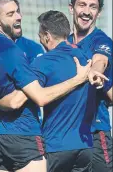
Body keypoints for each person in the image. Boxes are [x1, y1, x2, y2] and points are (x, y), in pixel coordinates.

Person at [0, 0, 105, 172]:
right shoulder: (14, 52)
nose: (18, 17)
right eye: (11, 13)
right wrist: (79, 79)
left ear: (46, 36)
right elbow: (32, 98)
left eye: (18, 11)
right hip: (24, 137)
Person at [32, 10, 96, 172]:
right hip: (85, 146)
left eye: (40, 35)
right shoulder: (87, 58)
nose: (40, 40)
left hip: (56, 145)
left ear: (47, 35)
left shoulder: (43, 62)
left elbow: (30, 96)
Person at [68, 0, 113, 171]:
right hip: (65, 135)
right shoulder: (64, 43)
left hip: (95, 133)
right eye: (82, 5)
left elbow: (100, 60)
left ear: (99, 12)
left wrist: (94, 72)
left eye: (92, 7)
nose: (86, 12)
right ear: (71, 8)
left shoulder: (101, 40)